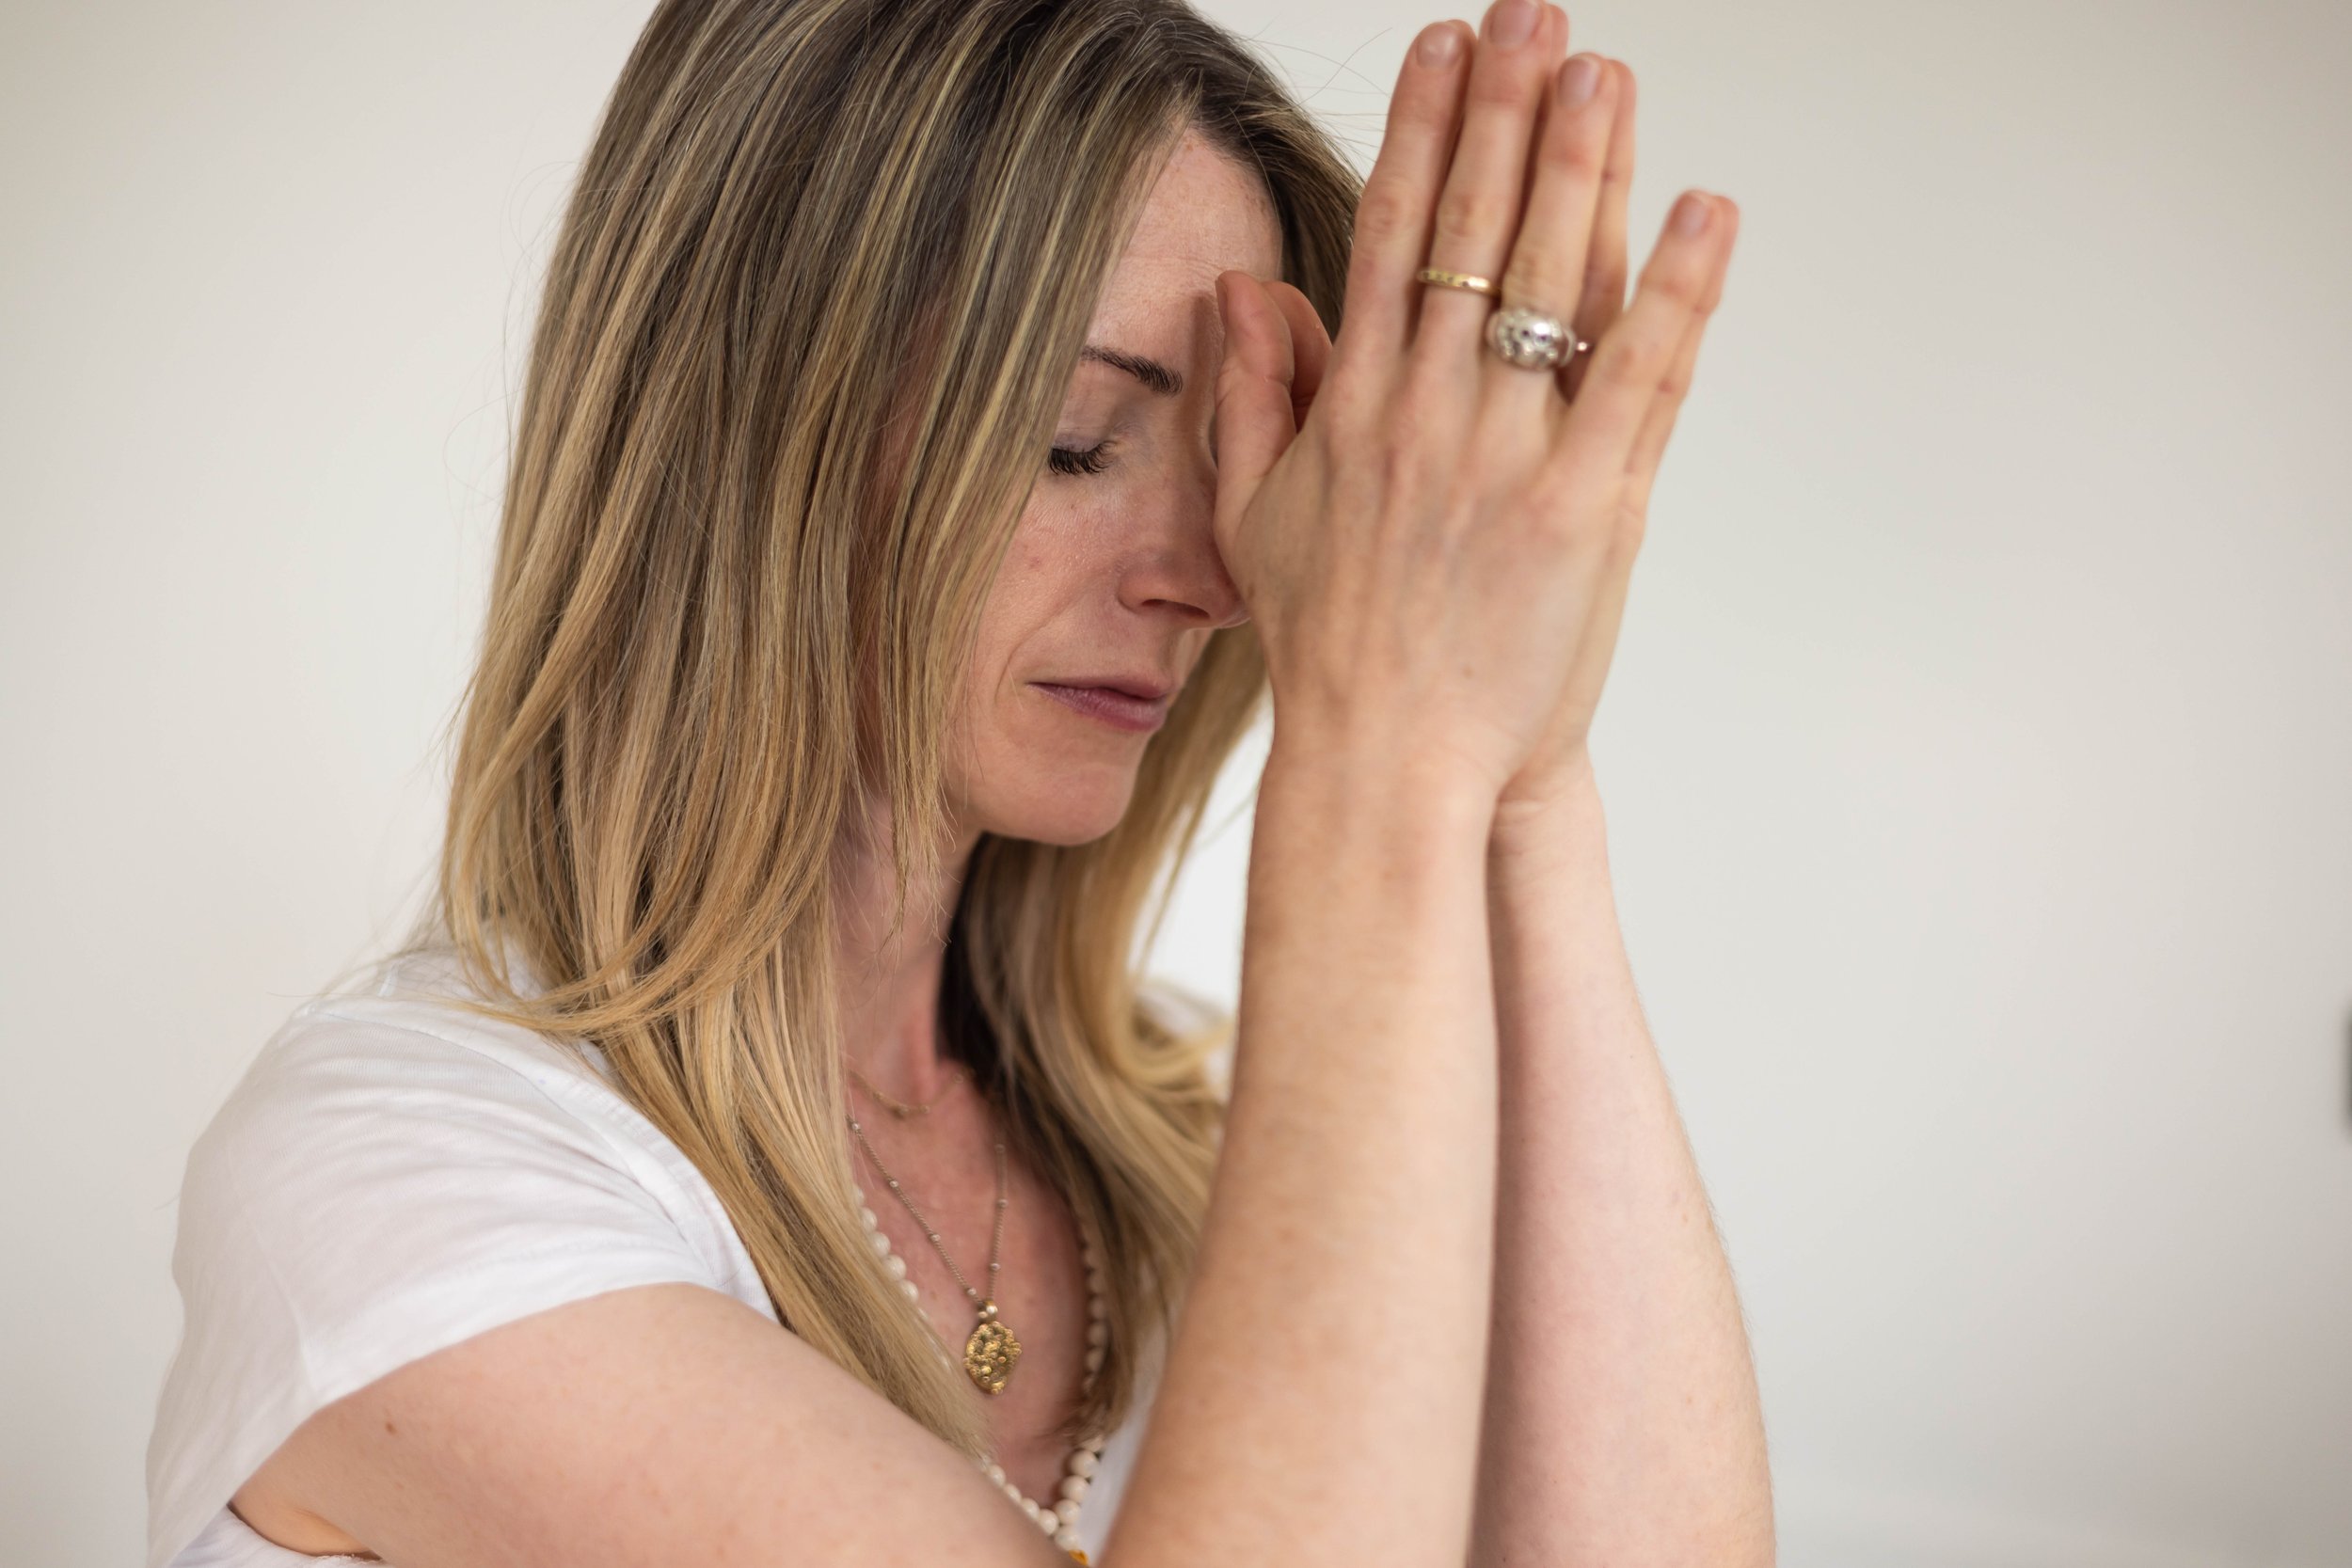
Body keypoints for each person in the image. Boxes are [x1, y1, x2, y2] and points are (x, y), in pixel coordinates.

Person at [143, 0, 1766, 1563]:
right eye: (1076, 439)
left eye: (1230, 459)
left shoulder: (1194, 1142)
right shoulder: (390, 1178)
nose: (1216, 573)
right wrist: (1386, 741)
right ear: (749, 422)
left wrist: (1524, 780)